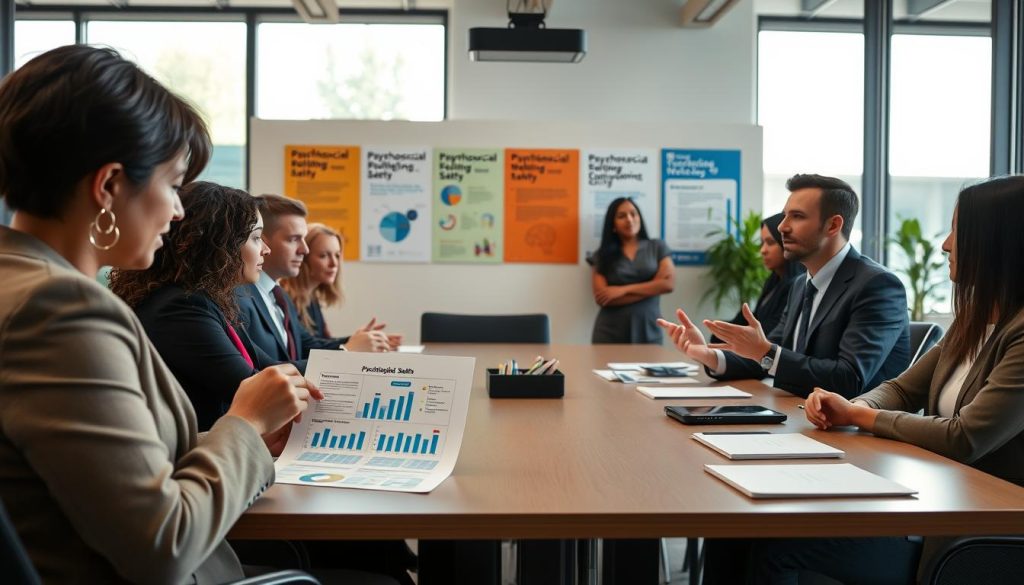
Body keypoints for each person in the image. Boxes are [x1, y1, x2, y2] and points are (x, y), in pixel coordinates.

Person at [0, 45, 321, 583]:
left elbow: (100, 471)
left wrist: (234, 439)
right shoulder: (60, 311)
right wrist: (243, 425)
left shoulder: (20, 281)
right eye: (172, 184)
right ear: (108, 187)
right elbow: (162, 545)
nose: (177, 209)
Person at [726, 175, 1024, 585]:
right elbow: (902, 389)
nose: (945, 245)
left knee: (772, 546)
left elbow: (965, 436)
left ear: (998, 242)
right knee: (741, 534)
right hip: (939, 505)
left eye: (958, 230)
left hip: (980, 535)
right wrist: (859, 406)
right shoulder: (971, 322)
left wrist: (858, 415)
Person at [659, 174, 911, 399]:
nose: (782, 226)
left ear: (833, 225)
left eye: (797, 216)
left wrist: (766, 351)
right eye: (785, 215)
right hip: (801, 418)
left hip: (858, 437)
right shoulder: (801, 285)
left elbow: (848, 379)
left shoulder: (877, 285)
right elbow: (771, 354)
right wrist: (706, 353)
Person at [109, 181, 280, 431]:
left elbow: (270, 368)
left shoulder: (207, 300)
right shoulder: (181, 307)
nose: (266, 249)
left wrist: (348, 365)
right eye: (255, 238)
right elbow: (253, 388)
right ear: (220, 245)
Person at [235, 195, 391, 369]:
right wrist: (346, 352)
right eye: (293, 239)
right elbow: (264, 370)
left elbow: (307, 345)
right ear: (261, 240)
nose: (305, 249)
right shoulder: (239, 299)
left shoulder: (280, 296)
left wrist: (358, 341)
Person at [280, 222, 401, 346]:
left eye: (337, 255)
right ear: (303, 257)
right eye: (324, 256)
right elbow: (307, 348)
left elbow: (321, 343)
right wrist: (352, 343)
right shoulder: (286, 299)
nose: (334, 263)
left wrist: (362, 339)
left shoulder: (311, 298)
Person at [589, 197, 675, 343]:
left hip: (649, 329)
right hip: (609, 332)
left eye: (633, 214)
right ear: (613, 224)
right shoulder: (602, 255)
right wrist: (653, 286)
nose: (629, 219)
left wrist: (622, 290)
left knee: (651, 366)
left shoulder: (657, 247)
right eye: (621, 216)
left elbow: (668, 285)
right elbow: (603, 298)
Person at [710, 212, 804, 343]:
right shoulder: (774, 280)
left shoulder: (797, 286)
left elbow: (771, 331)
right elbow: (754, 317)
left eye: (770, 243)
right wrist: (720, 327)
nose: (763, 250)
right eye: (762, 243)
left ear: (786, 244)